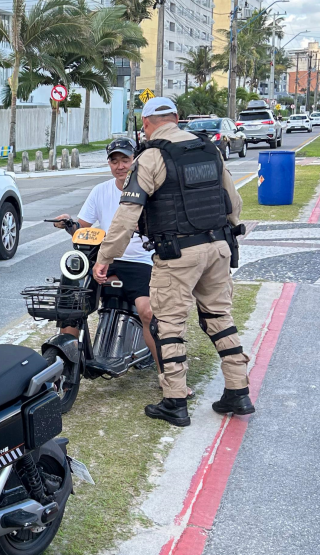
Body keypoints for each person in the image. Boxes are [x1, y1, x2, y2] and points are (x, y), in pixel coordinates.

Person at [93, 97, 253, 428]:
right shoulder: (210, 150)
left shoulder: (151, 156)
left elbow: (126, 216)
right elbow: (232, 201)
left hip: (177, 254)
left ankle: (175, 401)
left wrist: (105, 256)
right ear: (177, 119)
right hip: (218, 245)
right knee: (219, 317)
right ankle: (238, 391)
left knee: (169, 325)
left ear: (147, 124)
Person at [51, 138, 159, 370]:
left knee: (148, 311)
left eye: (125, 160)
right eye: (114, 161)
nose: (120, 166)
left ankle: (168, 374)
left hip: (139, 261)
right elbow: (82, 230)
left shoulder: (150, 190)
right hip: (105, 260)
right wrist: (68, 223)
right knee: (71, 300)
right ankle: (67, 364)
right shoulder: (100, 191)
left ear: (135, 161)